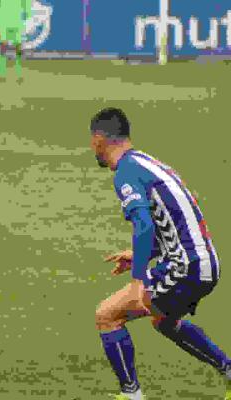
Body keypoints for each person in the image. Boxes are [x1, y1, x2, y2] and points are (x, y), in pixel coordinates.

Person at [90, 108, 230, 400]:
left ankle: (132, 395)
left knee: (107, 315)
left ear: (99, 139)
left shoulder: (127, 172)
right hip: (203, 261)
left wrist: (138, 279)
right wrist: (142, 253)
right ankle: (228, 370)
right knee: (164, 321)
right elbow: (173, 221)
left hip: (186, 266)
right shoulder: (148, 163)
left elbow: (144, 225)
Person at [0, 0, 32, 82]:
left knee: (18, 49)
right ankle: (1, 74)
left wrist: (29, 22)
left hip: (17, 24)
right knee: (3, 48)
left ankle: (19, 74)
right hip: (2, 24)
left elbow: (27, 6)